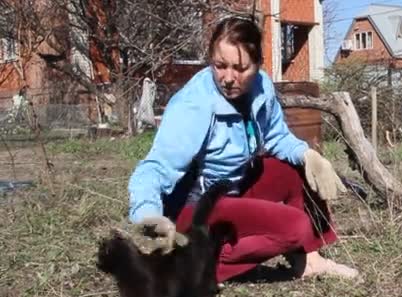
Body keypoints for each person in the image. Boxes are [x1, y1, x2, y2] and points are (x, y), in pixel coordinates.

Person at [127, 16, 359, 282]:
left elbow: (277, 137)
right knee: (295, 227)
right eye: (220, 66)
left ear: (258, 64)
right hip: (193, 209)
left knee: (296, 169)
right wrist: (148, 216)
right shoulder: (194, 106)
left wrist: (308, 155)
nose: (228, 78)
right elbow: (156, 167)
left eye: (240, 68)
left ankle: (309, 262)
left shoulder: (262, 89)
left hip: (231, 189)